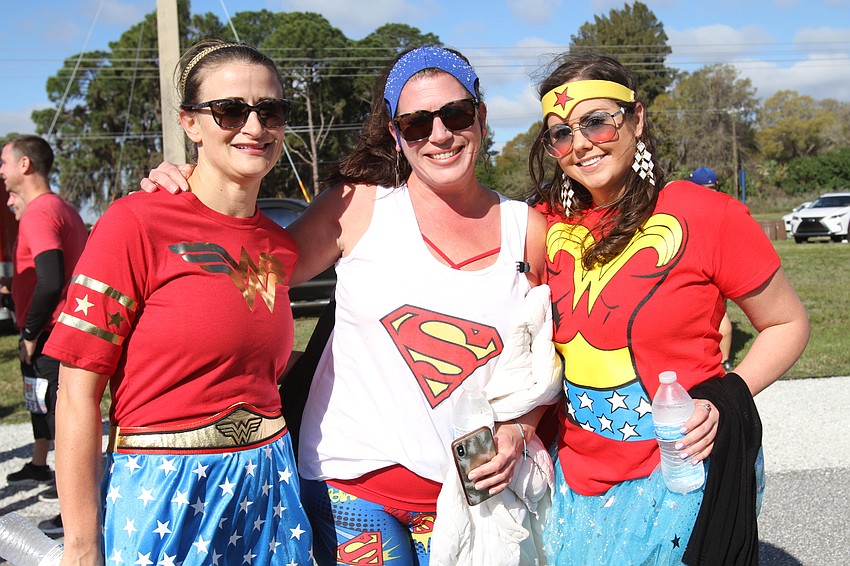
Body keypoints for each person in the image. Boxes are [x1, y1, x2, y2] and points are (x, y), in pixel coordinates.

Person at [143, 45, 561, 566]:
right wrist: (195, 188)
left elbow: (547, 359)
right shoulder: (360, 206)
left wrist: (522, 428)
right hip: (349, 485)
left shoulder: (531, 232)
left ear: (479, 115)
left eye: (455, 114)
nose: (439, 135)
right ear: (394, 133)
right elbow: (247, 272)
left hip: (468, 495)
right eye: (415, 124)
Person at [528, 51, 810, 564]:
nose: (581, 144)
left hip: (679, 478)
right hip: (575, 483)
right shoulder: (543, 223)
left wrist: (727, 396)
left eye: (597, 121)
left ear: (637, 119)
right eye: (561, 133)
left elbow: (787, 323)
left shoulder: (706, 213)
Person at [43, 39, 313, 565]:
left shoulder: (278, 245)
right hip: (163, 493)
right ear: (190, 123)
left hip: (270, 489)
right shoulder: (135, 223)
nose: (254, 127)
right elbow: (76, 394)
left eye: (271, 110)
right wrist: (81, 546)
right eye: (230, 110)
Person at [0, 135, 87, 536]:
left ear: (25, 165)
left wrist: (31, 331)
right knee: (45, 406)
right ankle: (40, 466)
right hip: (55, 329)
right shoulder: (60, 207)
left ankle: (75, 514)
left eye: (4, 162)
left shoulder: (39, 211)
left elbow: (50, 279)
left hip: (51, 331)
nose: (0, 172)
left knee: (62, 419)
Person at [690, 166, 735, 371]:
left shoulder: (694, 204)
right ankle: (725, 359)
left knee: (710, 314)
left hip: (700, 260)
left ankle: (712, 359)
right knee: (721, 311)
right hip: (724, 259)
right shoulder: (724, 203)